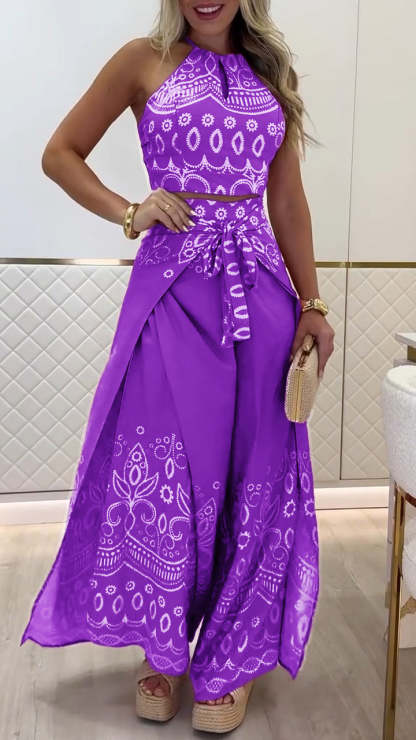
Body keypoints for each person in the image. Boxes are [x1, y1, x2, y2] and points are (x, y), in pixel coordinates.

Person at [20, 0, 335, 733]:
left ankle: (229, 657)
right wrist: (130, 211)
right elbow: (60, 153)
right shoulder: (142, 59)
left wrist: (312, 302)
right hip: (172, 289)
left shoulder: (273, 73)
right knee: (167, 467)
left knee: (255, 471)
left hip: (262, 295)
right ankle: (162, 648)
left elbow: (287, 199)